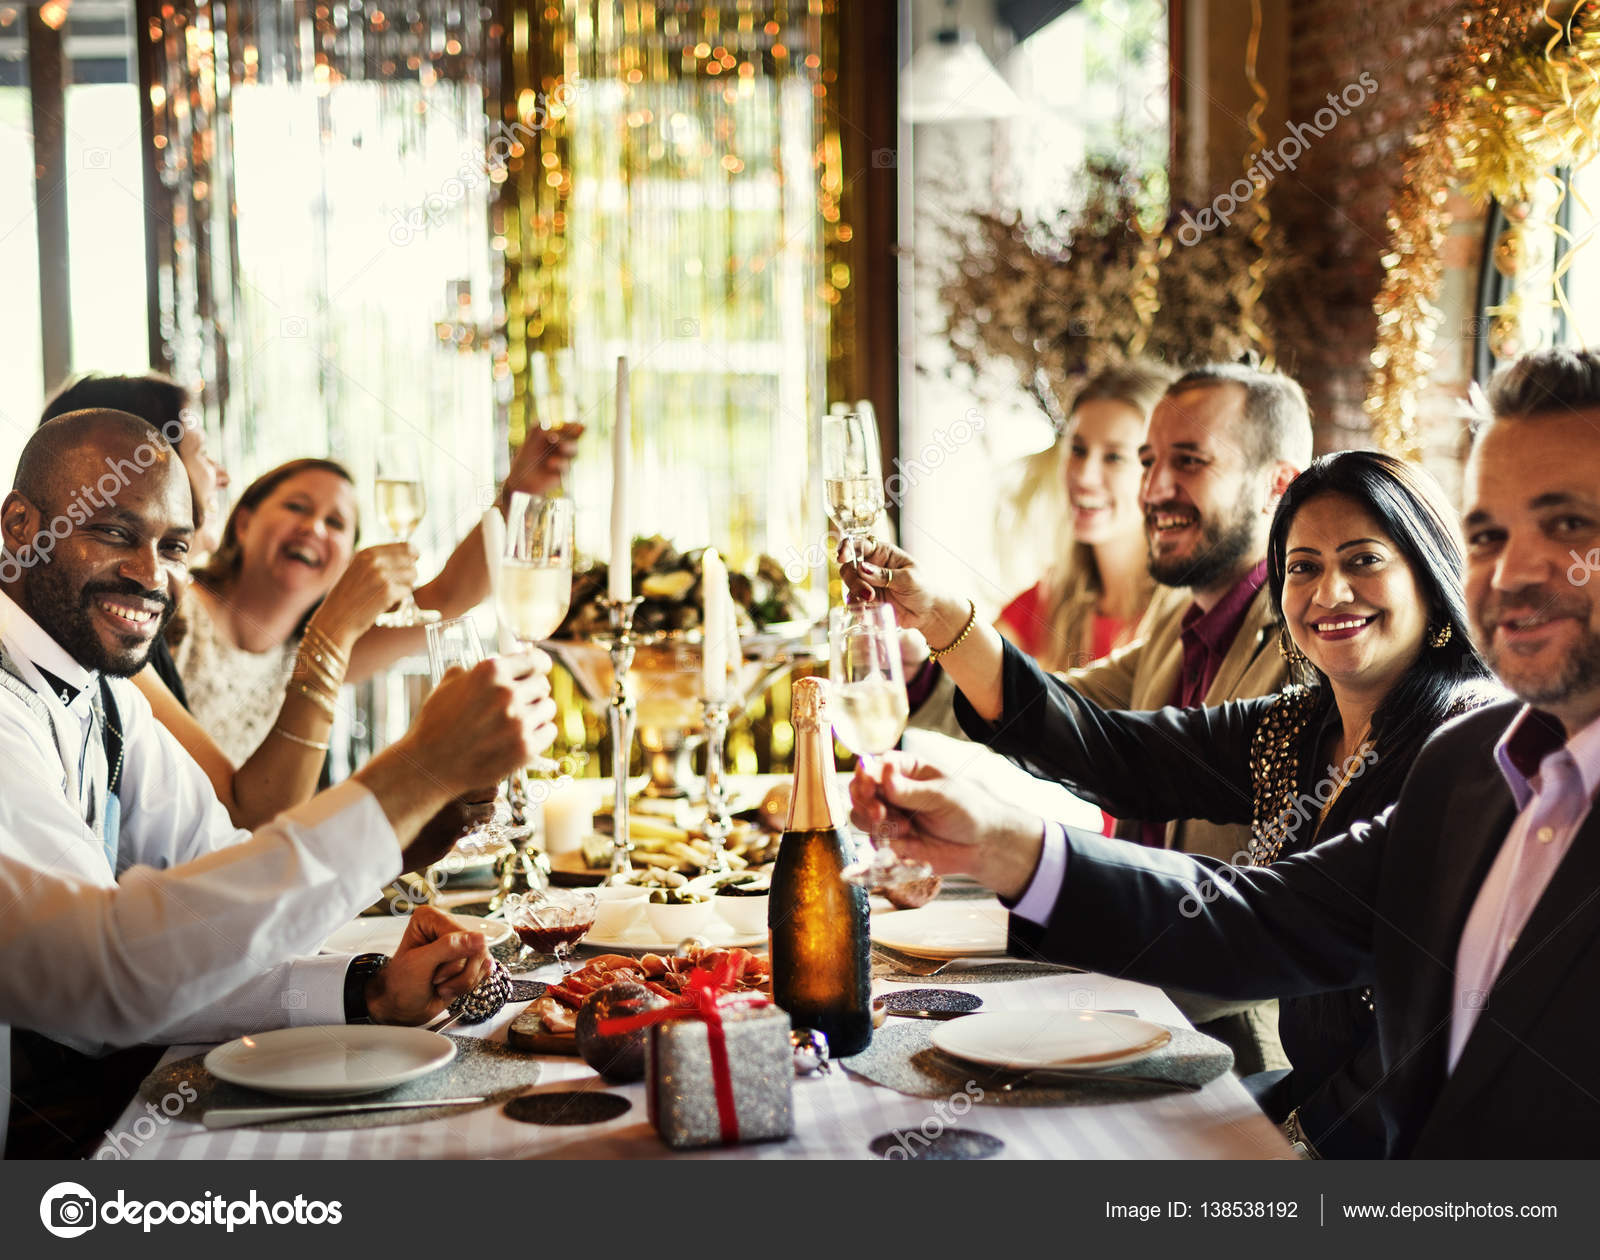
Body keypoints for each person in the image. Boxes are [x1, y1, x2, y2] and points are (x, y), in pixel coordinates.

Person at [848, 345, 1600, 1157]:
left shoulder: (1449, 740)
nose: (1513, 571)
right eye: (1490, 533)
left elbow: (1399, 1067)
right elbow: (1245, 903)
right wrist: (1000, 841)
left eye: (1567, 525)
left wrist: (1294, 1149)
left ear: (1429, 575)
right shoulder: (1457, 760)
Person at [0, 408, 559, 1154]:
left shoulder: (106, 694)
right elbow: (104, 974)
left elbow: (213, 899)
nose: (151, 574)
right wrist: (407, 779)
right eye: (113, 532)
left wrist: (366, 987)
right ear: (19, 526)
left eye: (173, 547)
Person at [848, 359, 1314, 1072]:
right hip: (1117, 987)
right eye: (1150, 462)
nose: (1153, 488)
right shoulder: (1179, 621)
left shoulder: (1306, 643)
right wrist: (930, 628)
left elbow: (1260, 927)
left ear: (1278, 484)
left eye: (1188, 462)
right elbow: (1058, 713)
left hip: (1226, 1039)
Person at [39, 372, 579, 827]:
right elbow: (243, 821)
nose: (315, 528)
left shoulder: (302, 647)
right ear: (245, 523)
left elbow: (450, 596)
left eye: (337, 523)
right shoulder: (138, 616)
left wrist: (520, 491)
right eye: (297, 507)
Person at [905, 362, 1188, 740]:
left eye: (1114, 457)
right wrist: (911, 669)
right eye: (1078, 450)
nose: (1084, 475)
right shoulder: (1050, 599)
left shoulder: (1189, 617)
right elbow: (979, 700)